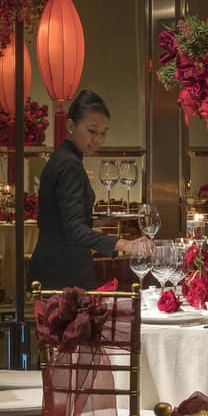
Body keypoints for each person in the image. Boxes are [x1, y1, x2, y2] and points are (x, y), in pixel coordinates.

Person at [30, 90, 153, 289]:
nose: (98, 139)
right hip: (63, 274)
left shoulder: (62, 159)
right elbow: (74, 228)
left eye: (103, 132)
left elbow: (64, 219)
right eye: (92, 131)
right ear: (70, 126)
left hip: (54, 269)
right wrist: (126, 245)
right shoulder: (70, 165)